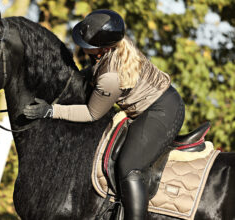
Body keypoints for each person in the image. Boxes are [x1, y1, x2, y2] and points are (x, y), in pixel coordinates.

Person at [23, 9, 185, 220]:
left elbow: (92, 114)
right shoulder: (117, 45)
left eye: (87, 46)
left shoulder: (110, 77)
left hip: (162, 112)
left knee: (129, 166)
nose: (81, 47)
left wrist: (52, 111)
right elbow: (93, 73)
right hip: (162, 100)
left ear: (103, 49)